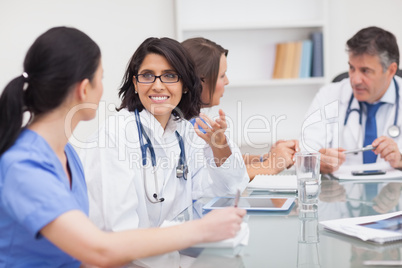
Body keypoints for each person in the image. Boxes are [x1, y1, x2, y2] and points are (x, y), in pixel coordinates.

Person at [0, 27, 246, 267]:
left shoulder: (66, 155)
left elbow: (83, 254)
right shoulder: (26, 164)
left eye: (170, 76)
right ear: (85, 88)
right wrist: (199, 231)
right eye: (101, 78)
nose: (158, 85)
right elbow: (102, 248)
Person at [181, 37, 299, 180]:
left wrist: (268, 158)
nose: (227, 81)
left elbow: (223, 163)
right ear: (197, 81)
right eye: (222, 75)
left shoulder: (197, 120)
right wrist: (271, 165)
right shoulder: (185, 128)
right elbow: (216, 180)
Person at [301, 26, 402, 174]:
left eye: (365, 71)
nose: (354, 80)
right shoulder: (328, 95)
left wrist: (400, 160)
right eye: (352, 68)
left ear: (391, 70)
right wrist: (317, 162)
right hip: (338, 194)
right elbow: (305, 153)